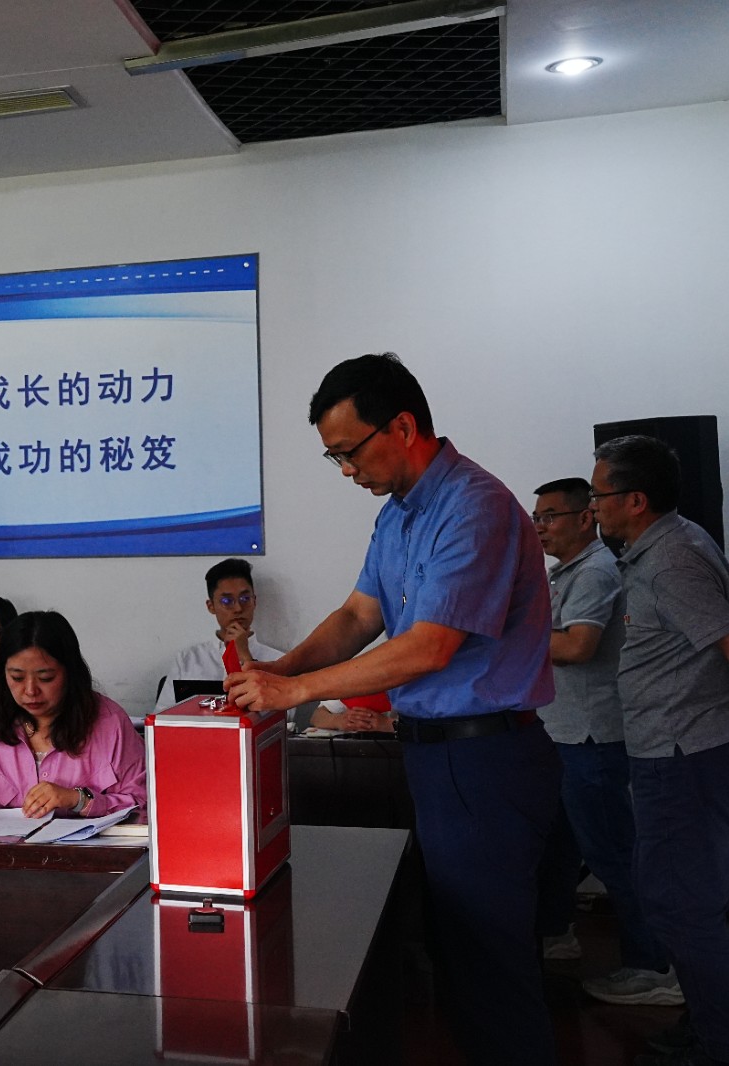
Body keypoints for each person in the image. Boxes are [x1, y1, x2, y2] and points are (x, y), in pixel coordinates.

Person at [225, 353, 559, 1066]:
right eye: (334, 458)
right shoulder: (399, 515)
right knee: (458, 949)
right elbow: (359, 615)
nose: (347, 470)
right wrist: (281, 668)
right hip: (436, 756)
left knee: (493, 962)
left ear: (403, 427)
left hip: (485, 757)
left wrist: (297, 693)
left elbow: (430, 647)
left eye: (351, 451)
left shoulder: (473, 507)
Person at [589, 435, 729, 1066]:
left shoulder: (672, 561)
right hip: (674, 751)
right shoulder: (668, 545)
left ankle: (717, 1042)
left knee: (682, 906)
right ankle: (704, 1023)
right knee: (681, 899)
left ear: (635, 500)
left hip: (682, 754)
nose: (593, 505)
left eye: (599, 494)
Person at [528, 476, 679, 1006]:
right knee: (559, 846)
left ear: (585, 517)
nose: (540, 527)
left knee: (613, 853)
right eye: (536, 517)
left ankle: (655, 968)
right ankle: (556, 933)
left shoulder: (595, 571)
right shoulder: (564, 572)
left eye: (550, 516)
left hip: (592, 737)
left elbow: (577, 647)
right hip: (563, 733)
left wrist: (509, 637)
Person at [0, 610, 146, 830]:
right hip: (0, 853)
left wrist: (78, 800)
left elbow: (145, 805)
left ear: (70, 673)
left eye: (45, 678)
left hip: (87, 854)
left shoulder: (110, 723)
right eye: (16, 677)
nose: (30, 691)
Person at [153, 559, 286, 711]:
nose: (238, 608)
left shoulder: (278, 661)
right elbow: (162, 714)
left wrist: (245, 656)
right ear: (211, 606)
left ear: (254, 601)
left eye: (245, 599)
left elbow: (285, 717)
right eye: (227, 601)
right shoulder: (188, 659)